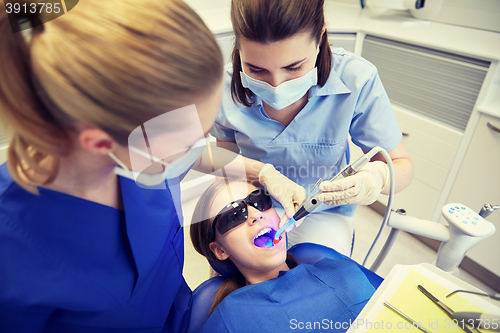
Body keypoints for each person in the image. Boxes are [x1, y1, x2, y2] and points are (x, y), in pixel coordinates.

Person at [0, 1, 305, 331]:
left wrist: (263, 174)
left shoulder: (140, 154)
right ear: (99, 143)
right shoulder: (13, 253)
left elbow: (197, 153)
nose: (197, 147)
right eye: (185, 141)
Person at [210, 0, 414, 256]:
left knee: (318, 278)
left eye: (294, 67)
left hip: (323, 214)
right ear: (238, 47)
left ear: (320, 37)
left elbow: (401, 164)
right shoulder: (222, 87)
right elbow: (223, 163)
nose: (276, 85)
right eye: (256, 69)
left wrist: (379, 177)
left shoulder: (357, 78)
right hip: (254, 208)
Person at [190, 178, 381, 333]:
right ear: (220, 250)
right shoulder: (229, 319)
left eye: (259, 201)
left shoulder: (337, 270)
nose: (256, 214)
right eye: (233, 215)